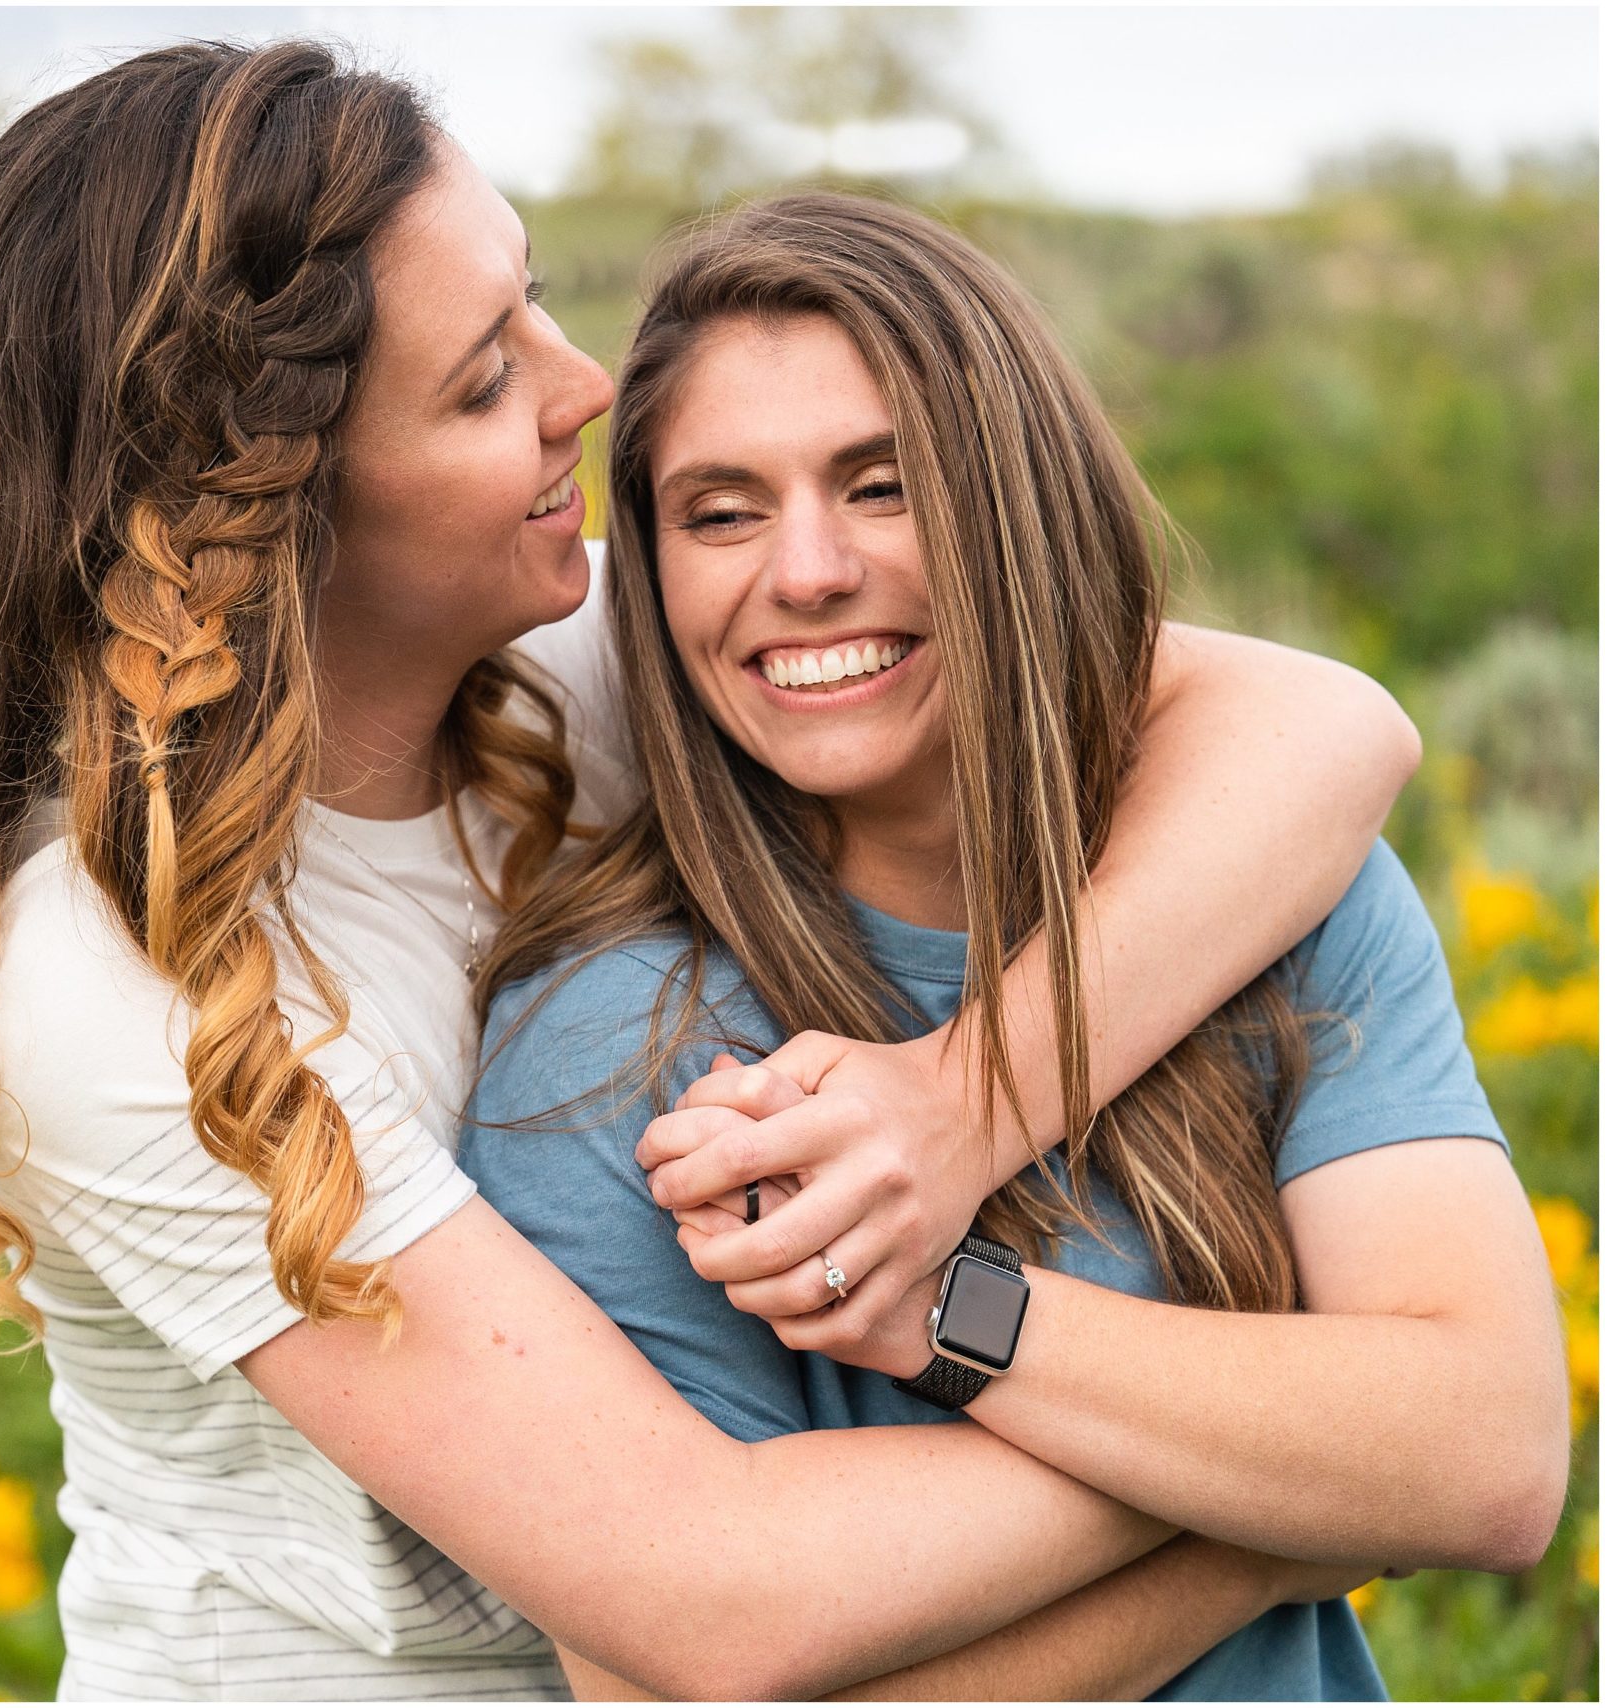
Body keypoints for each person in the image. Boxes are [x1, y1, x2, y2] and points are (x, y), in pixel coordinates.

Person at [0, 40, 1433, 1700]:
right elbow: (710, 1593)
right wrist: (1302, 1489)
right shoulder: (106, 978)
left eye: (537, 303)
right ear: (277, 511)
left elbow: (1322, 729)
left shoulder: (574, 652)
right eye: (484, 383)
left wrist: (960, 1107)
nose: (585, 387)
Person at [458, 190, 1568, 1700]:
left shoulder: (1281, 898)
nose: (804, 572)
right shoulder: (609, 1050)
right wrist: (1285, 1508)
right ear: (648, 573)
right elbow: (686, 1667)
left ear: (1016, 505)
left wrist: (952, 1312)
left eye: (884, 485)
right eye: (720, 510)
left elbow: (1490, 1453)